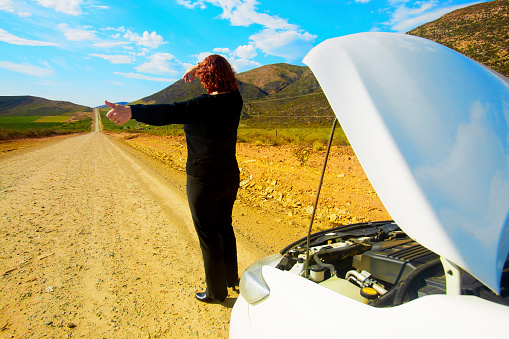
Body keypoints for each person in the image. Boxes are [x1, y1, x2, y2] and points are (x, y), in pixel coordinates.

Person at [105, 54, 243, 304]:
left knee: (208, 234)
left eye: (203, 74)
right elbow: (213, 74)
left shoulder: (202, 106)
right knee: (224, 226)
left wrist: (131, 111)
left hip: (203, 180)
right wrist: (196, 69)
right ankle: (231, 278)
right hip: (229, 176)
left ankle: (216, 292)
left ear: (207, 78)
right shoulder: (235, 100)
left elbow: (168, 112)